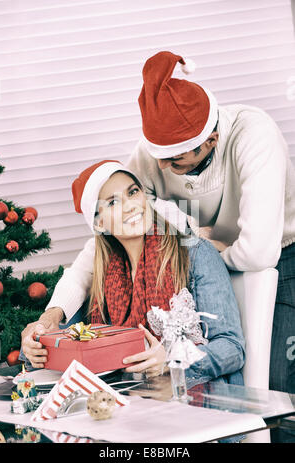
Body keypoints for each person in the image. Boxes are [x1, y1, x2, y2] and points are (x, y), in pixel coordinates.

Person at [24, 50, 295, 442]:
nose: (160, 173)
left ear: (210, 142)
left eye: (134, 192)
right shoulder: (151, 161)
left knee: (280, 390)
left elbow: (256, 254)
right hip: (146, 398)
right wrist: (50, 322)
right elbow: (93, 254)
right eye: (115, 202)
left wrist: (200, 254)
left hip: (279, 247)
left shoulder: (253, 137)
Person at [22, 160, 245, 389]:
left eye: (133, 192)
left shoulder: (196, 254)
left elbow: (232, 350)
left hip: (202, 401)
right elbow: (61, 343)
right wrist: (35, 344)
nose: (130, 206)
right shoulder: (101, 282)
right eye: (112, 202)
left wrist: (172, 359)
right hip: (131, 401)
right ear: (99, 223)